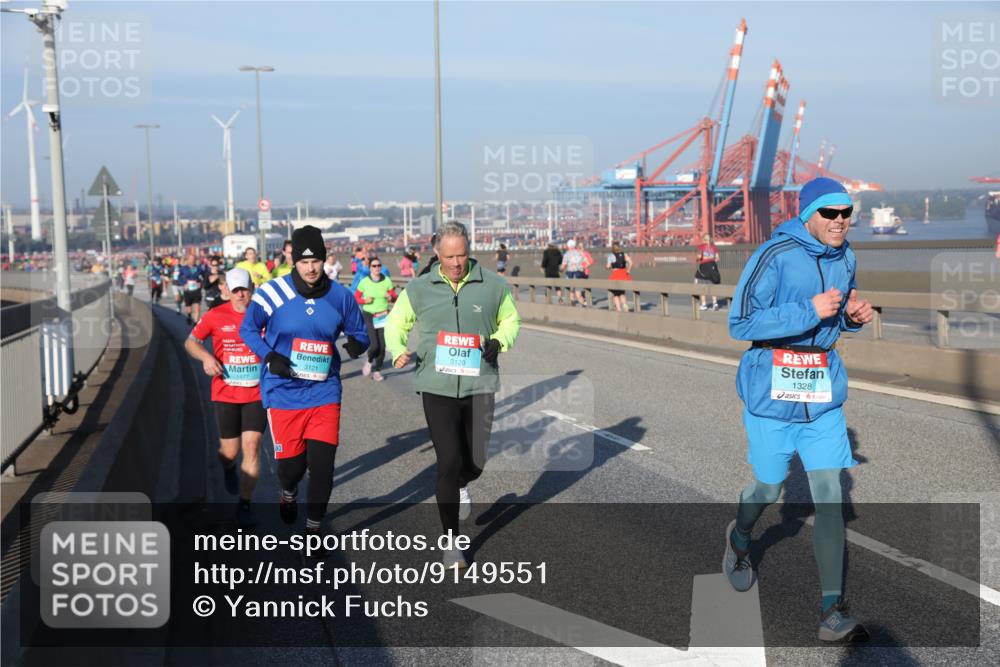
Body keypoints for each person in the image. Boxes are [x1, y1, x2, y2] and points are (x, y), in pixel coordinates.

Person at [723, 177, 874, 642]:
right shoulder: (774, 254)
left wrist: (851, 318)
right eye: (830, 212)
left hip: (822, 393)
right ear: (808, 215)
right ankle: (740, 537)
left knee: (828, 493)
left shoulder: (846, 257)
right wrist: (809, 310)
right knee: (769, 487)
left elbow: (837, 315)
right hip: (772, 391)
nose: (840, 221)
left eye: (846, 212)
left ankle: (832, 612)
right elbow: (740, 322)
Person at [386, 222, 521, 569]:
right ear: (436, 253)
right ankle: (451, 543)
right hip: (437, 386)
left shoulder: (493, 285)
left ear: (469, 251)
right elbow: (396, 321)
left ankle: (463, 483)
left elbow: (511, 321)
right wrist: (397, 349)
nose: (456, 263)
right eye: (449, 257)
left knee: (474, 462)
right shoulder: (419, 288)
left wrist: (499, 341)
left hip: (480, 384)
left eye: (461, 255)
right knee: (448, 460)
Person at [240, 225, 369, 540]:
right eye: (304, 261)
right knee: (291, 469)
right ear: (293, 261)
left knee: (323, 466)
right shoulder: (273, 293)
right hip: (283, 392)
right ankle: (288, 491)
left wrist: (358, 344)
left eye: (316, 261)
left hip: (324, 390)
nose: (311, 268)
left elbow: (360, 332)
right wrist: (269, 356)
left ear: (324, 259)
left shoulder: (340, 296)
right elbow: (248, 330)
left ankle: (313, 531)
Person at [185, 268, 264, 528]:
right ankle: (228, 467)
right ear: (226, 290)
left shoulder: (264, 314)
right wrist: (206, 358)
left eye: (245, 289)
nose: (241, 295)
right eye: (235, 290)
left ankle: (245, 505)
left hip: (256, 392)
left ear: (252, 288)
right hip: (226, 392)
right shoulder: (215, 315)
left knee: (252, 446)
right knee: (230, 452)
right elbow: (191, 342)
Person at [354, 257, 397, 381]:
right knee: (374, 346)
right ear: (370, 268)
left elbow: (394, 297)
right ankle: (369, 361)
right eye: (374, 266)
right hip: (369, 314)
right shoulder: (364, 282)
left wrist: (390, 297)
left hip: (382, 315)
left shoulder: (387, 281)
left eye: (379, 265)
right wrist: (364, 300)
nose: (377, 268)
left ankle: (377, 371)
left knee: (382, 347)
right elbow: (356, 298)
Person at [560, 239, 591, 307]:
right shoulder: (580, 253)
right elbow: (588, 263)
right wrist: (582, 268)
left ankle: (572, 304)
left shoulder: (567, 254)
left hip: (570, 274)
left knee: (571, 291)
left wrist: (560, 271)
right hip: (579, 274)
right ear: (574, 245)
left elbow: (563, 266)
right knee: (578, 293)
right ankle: (584, 304)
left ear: (568, 246)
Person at [177, 254, 207, 324]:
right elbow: (179, 278)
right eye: (190, 259)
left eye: (194, 259)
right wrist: (184, 284)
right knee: (189, 307)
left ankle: (195, 323)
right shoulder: (183, 268)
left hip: (197, 290)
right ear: (187, 260)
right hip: (188, 290)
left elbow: (205, 276)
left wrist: (201, 283)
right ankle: (189, 316)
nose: (192, 260)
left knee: (197, 308)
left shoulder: (198, 268)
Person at [695, 233, 722, 311]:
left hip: (704, 266)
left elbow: (699, 256)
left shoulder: (701, 246)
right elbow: (717, 258)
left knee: (701, 284)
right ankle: (715, 303)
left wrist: (697, 259)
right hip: (713, 266)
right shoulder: (714, 247)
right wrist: (711, 259)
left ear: (703, 239)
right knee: (713, 284)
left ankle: (704, 304)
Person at [606, 241, 633, 312]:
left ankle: (619, 309)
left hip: (616, 275)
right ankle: (625, 305)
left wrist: (609, 267)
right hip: (623, 274)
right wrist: (628, 270)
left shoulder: (611, 256)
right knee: (622, 293)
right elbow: (631, 262)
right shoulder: (624, 254)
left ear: (612, 248)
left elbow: (608, 266)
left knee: (615, 294)